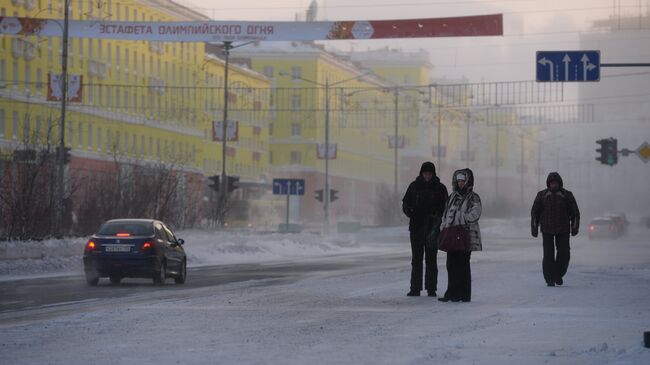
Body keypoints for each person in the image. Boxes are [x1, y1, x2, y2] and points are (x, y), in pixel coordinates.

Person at [402, 162, 448, 297]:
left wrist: (436, 217)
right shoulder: (414, 186)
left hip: (433, 229)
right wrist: (411, 212)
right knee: (416, 259)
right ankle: (415, 288)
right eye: (425, 173)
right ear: (421, 173)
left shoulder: (440, 188)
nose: (427, 175)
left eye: (429, 173)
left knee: (431, 260)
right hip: (416, 228)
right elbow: (405, 203)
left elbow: (445, 208)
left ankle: (431, 288)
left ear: (433, 174)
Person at [438, 169, 482, 303]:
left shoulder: (473, 197)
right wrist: (443, 226)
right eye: (458, 181)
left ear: (468, 181)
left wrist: (460, 219)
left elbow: (475, 213)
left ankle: (464, 294)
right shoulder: (452, 196)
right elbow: (445, 214)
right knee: (451, 265)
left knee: (463, 265)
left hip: (465, 236)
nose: (460, 183)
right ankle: (451, 293)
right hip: (452, 236)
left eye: (463, 181)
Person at [531, 172, 580, 287]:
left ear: (560, 183)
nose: (554, 185)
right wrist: (534, 228)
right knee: (548, 255)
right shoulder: (542, 195)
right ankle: (550, 279)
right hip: (547, 230)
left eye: (556, 183)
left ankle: (558, 274)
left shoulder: (567, 195)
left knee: (564, 254)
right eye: (552, 183)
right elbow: (535, 213)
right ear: (548, 184)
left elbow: (575, 213)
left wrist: (575, 227)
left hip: (563, 230)